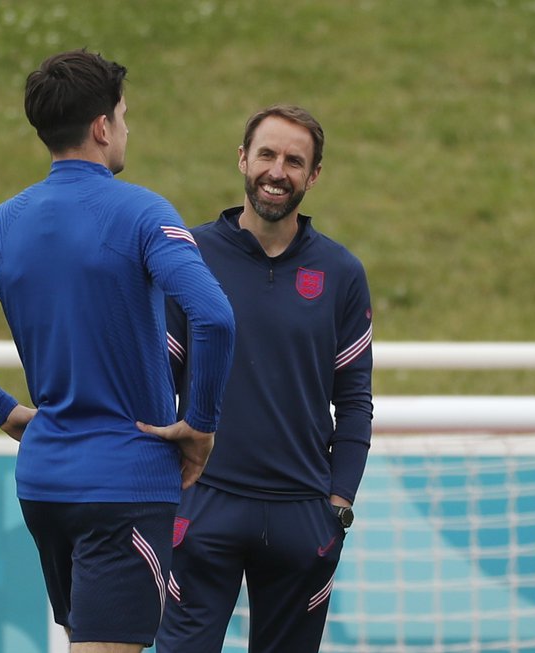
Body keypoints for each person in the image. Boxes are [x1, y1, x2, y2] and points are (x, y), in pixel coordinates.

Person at [0, 49, 235, 652]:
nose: (126, 129)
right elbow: (213, 315)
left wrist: (6, 410)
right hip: (125, 484)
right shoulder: (141, 213)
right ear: (102, 126)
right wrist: (200, 424)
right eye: (124, 116)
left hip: (45, 482)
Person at [155, 104, 374, 653]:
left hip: (303, 512)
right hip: (204, 501)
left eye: (295, 161)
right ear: (242, 159)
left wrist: (338, 503)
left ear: (314, 175)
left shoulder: (341, 273)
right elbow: (157, 381)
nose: (278, 171)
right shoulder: (192, 254)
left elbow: (354, 401)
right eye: (267, 155)